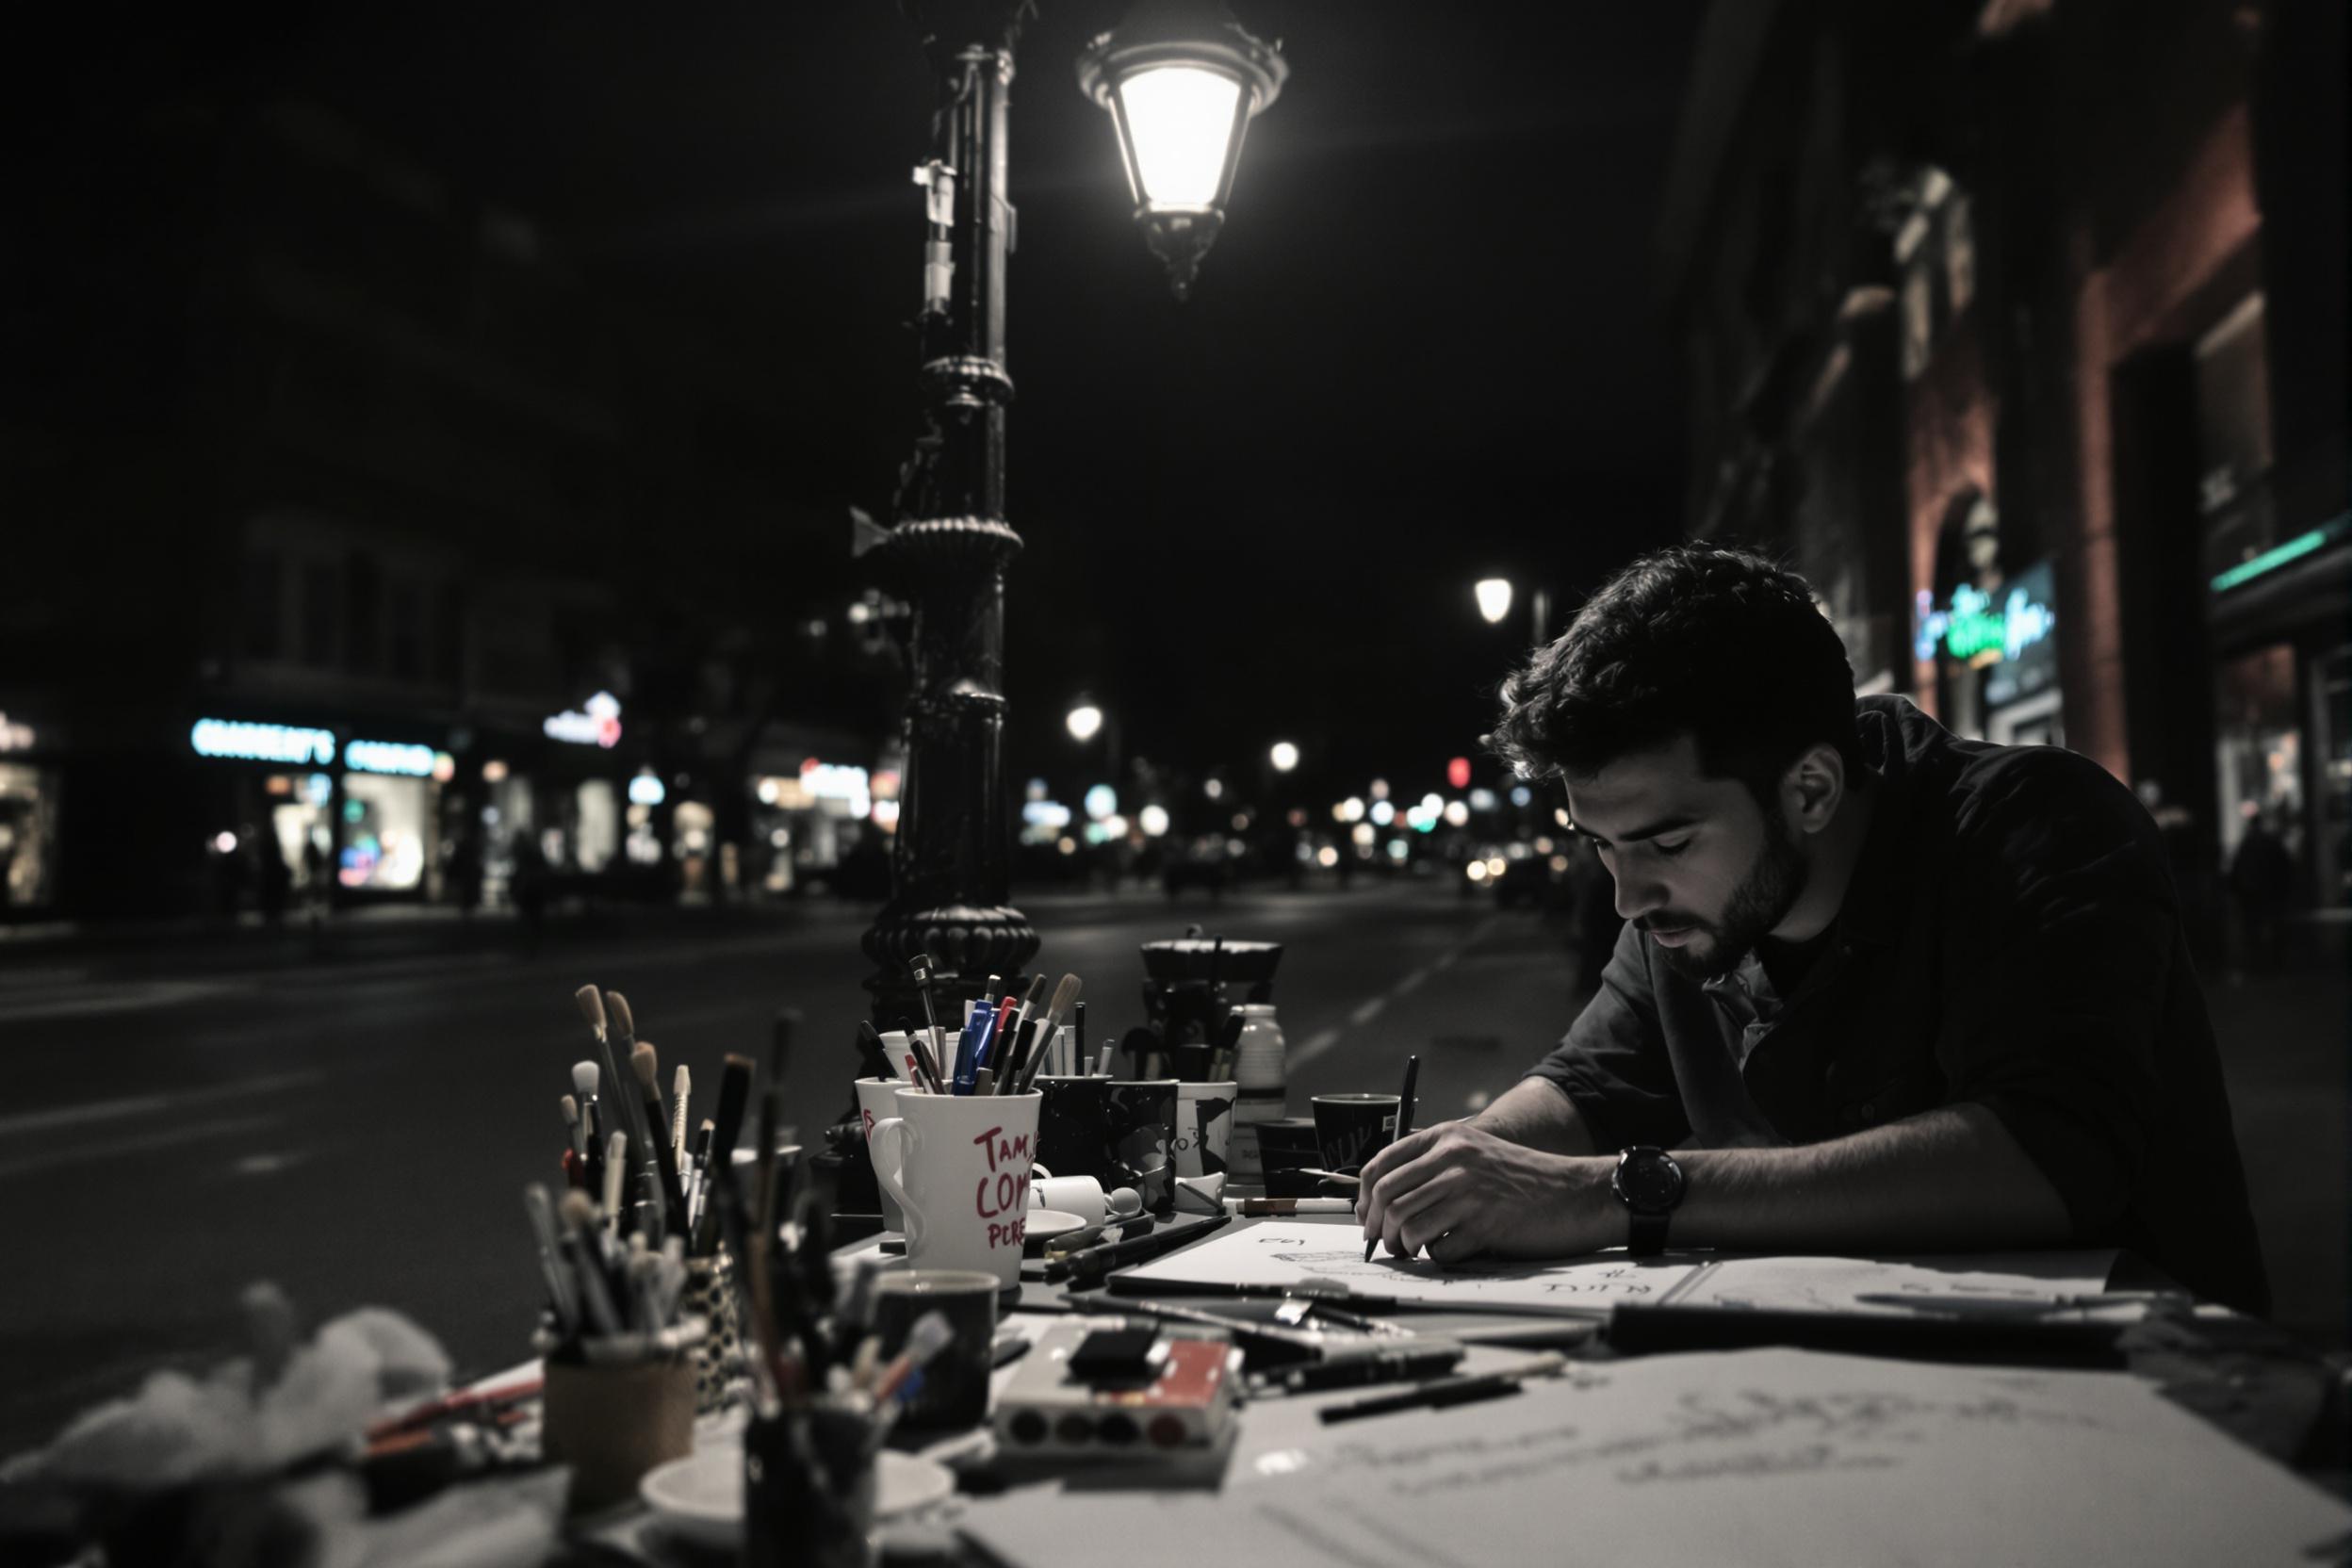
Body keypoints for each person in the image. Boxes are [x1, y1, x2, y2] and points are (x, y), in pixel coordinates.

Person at [1357, 546, 2268, 1315]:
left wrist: (1612, 1194)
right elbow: (1588, 1090)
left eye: (1666, 841)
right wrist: (1466, 1161)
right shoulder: (1684, 908)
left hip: (2139, 1402)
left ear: (1812, 790)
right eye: (1599, 846)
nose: (1629, 896)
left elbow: (2046, 1158)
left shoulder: (2037, 828)